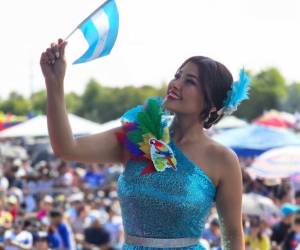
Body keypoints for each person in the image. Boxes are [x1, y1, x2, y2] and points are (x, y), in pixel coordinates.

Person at [40, 39, 249, 249]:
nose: (176, 84)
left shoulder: (223, 159)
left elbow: (232, 234)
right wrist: (54, 82)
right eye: (177, 75)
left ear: (212, 104)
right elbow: (66, 148)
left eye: (190, 81)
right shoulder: (138, 135)